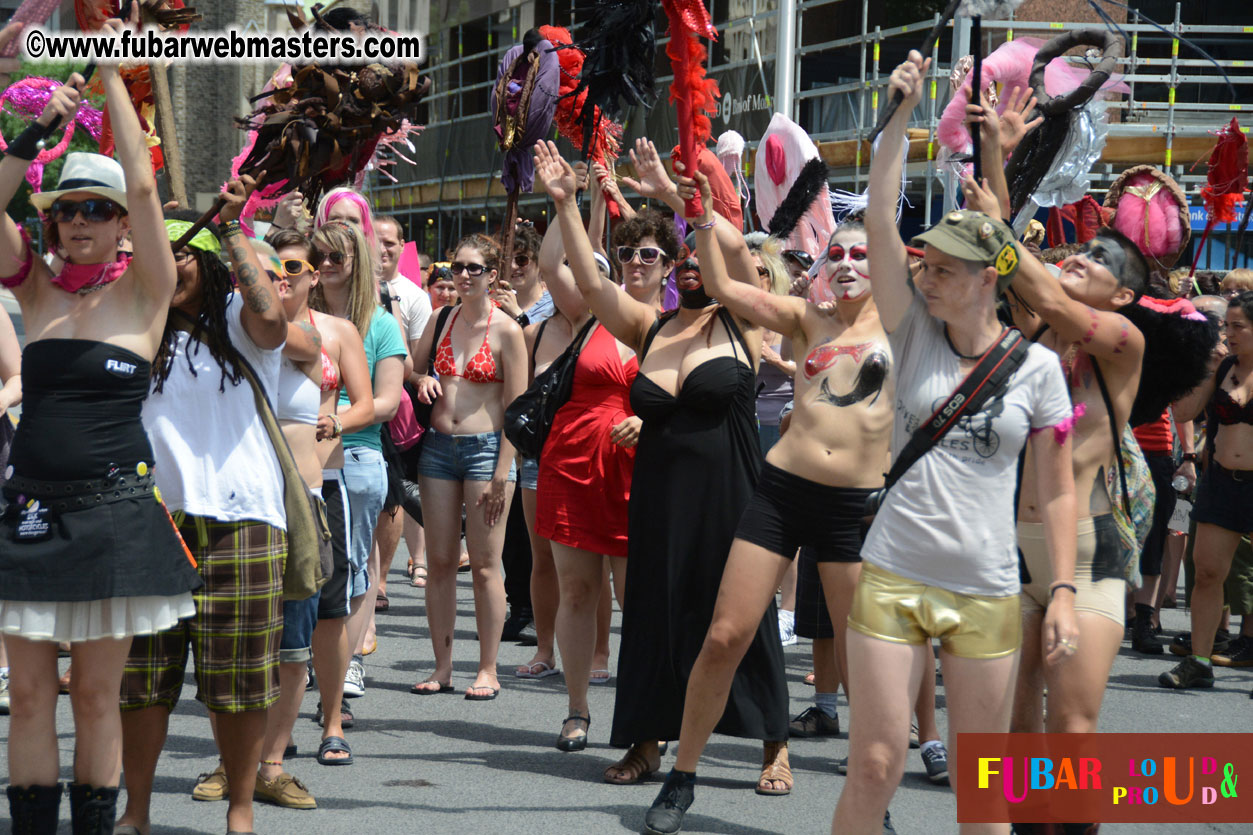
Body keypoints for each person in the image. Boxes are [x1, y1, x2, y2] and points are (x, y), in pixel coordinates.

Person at [829, 52, 1078, 835]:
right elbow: (876, 215)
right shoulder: (911, 334)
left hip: (987, 587)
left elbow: (1057, 488)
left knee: (983, 791)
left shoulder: (1037, 368)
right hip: (894, 572)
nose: (924, 275)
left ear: (984, 278)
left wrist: (1063, 587)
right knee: (874, 763)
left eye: (942, 266)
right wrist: (899, 113)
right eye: (923, 264)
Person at [537, 138, 790, 793]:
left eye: (686, 259)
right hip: (656, 495)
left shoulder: (741, 322)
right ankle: (646, 741)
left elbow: (731, 250)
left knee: (740, 619)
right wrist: (566, 203)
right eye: (676, 263)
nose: (683, 270)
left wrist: (681, 197)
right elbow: (591, 283)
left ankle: (773, 743)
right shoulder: (651, 328)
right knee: (651, 612)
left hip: (731, 493)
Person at [0, 16, 201, 831]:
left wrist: (119, 75)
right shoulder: (37, 293)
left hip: (116, 513)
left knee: (93, 693)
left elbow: (148, 186)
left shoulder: (145, 296)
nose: (78, 222)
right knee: (27, 697)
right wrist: (39, 130)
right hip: (32, 513)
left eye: (96, 209)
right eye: (65, 212)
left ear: (121, 224)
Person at [958, 97, 1152, 755]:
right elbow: (1009, 259)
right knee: (1015, 725)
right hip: (1011, 542)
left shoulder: (1121, 340)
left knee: (1071, 725)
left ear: (1123, 295)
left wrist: (1000, 228)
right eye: (1083, 246)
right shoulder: (1036, 330)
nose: (1082, 254)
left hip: (1090, 546)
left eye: (1100, 258)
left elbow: (1029, 276)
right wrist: (995, 148)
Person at [114, 170, 288, 835]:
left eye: (181, 250)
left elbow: (272, 316)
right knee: (142, 679)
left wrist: (231, 228)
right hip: (147, 521)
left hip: (241, 520)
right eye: (159, 249)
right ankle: (136, 812)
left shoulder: (239, 325)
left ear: (208, 261)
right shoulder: (132, 325)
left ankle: (240, 810)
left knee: (239, 679)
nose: (169, 261)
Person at [529, 174, 648, 753]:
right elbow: (555, 264)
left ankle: (644, 720)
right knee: (576, 592)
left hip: (638, 475)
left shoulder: (676, 323)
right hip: (572, 463)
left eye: (649, 255)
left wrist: (649, 423)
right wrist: (563, 202)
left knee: (638, 601)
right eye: (627, 254)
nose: (636, 263)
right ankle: (576, 710)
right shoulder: (592, 311)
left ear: (669, 266)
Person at [267, 229, 374, 767]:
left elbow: (368, 403)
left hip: (323, 486)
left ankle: (331, 722)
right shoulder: (247, 329)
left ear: (313, 275)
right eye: (275, 266)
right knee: (266, 613)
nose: (283, 277)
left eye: (294, 267)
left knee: (328, 615)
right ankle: (269, 733)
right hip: (261, 489)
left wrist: (335, 419)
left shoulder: (337, 331)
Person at [410, 232, 526, 700]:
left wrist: (503, 470)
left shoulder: (507, 331)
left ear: (492, 275)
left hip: (486, 451)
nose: (462, 275)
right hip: (438, 448)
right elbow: (411, 368)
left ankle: (488, 668)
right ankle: (442, 666)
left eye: (474, 268)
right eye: (457, 266)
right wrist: (421, 381)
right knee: (439, 562)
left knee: (483, 565)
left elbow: (517, 409)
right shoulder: (441, 318)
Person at [310, 220, 407, 704]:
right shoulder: (298, 318)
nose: (325, 265)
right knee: (307, 565)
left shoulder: (381, 324)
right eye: (318, 256)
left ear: (357, 264)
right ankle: (317, 657)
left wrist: (336, 421)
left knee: (349, 567)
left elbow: (387, 401)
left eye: (336, 258)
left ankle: (349, 666)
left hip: (357, 452)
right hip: (300, 454)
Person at [1161, 291, 1253, 691]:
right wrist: (1208, 367)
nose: (1228, 334)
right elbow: (1182, 413)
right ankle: (1199, 662)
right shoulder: (1223, 366)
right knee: (1207, 573)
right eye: (1225, 326)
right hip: (1221, 484)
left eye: (1238, 327)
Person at [371, 214, 430, 614]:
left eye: (392, 242)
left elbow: (417, 365)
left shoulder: (413, 296)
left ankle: (381, 580)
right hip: (353, 403)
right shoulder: (348, 284)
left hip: (396, 413)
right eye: (377, 240)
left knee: (391, 496)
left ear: (401, 245)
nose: (384, 248)